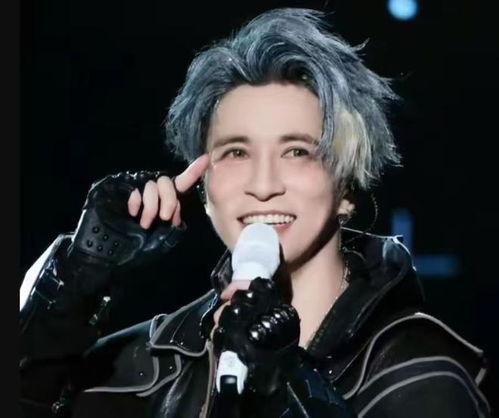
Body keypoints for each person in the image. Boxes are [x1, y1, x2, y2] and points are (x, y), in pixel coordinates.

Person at [20, 8, 491, 418]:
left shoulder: (418, 370)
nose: (264, 186)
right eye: (236, 153)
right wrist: (76, 282)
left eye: (297, 152)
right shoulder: (145, 366)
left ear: (347, 186)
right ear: (204, 188)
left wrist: (282, 384)